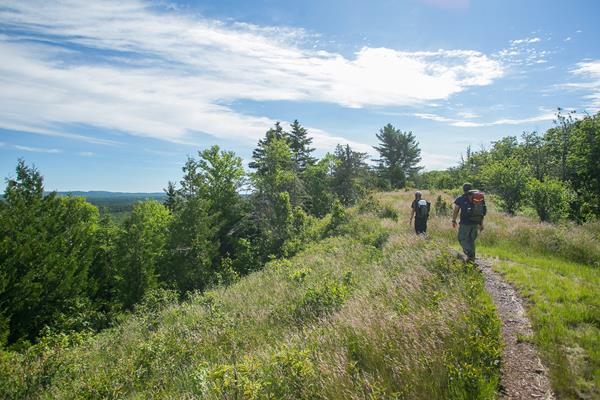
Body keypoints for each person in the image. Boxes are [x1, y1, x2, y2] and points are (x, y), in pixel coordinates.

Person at [452, 183, 486, 262]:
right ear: (471, 188)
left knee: (462, 239)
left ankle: (469, 254)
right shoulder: (479, 198)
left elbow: (456, 210)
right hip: (476, 222)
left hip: (465, 223)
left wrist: (453, 220)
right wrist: (481, 224)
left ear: (463, 189)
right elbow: (482, 212)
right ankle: (472, 259)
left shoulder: (461, 198)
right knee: (471, 241)